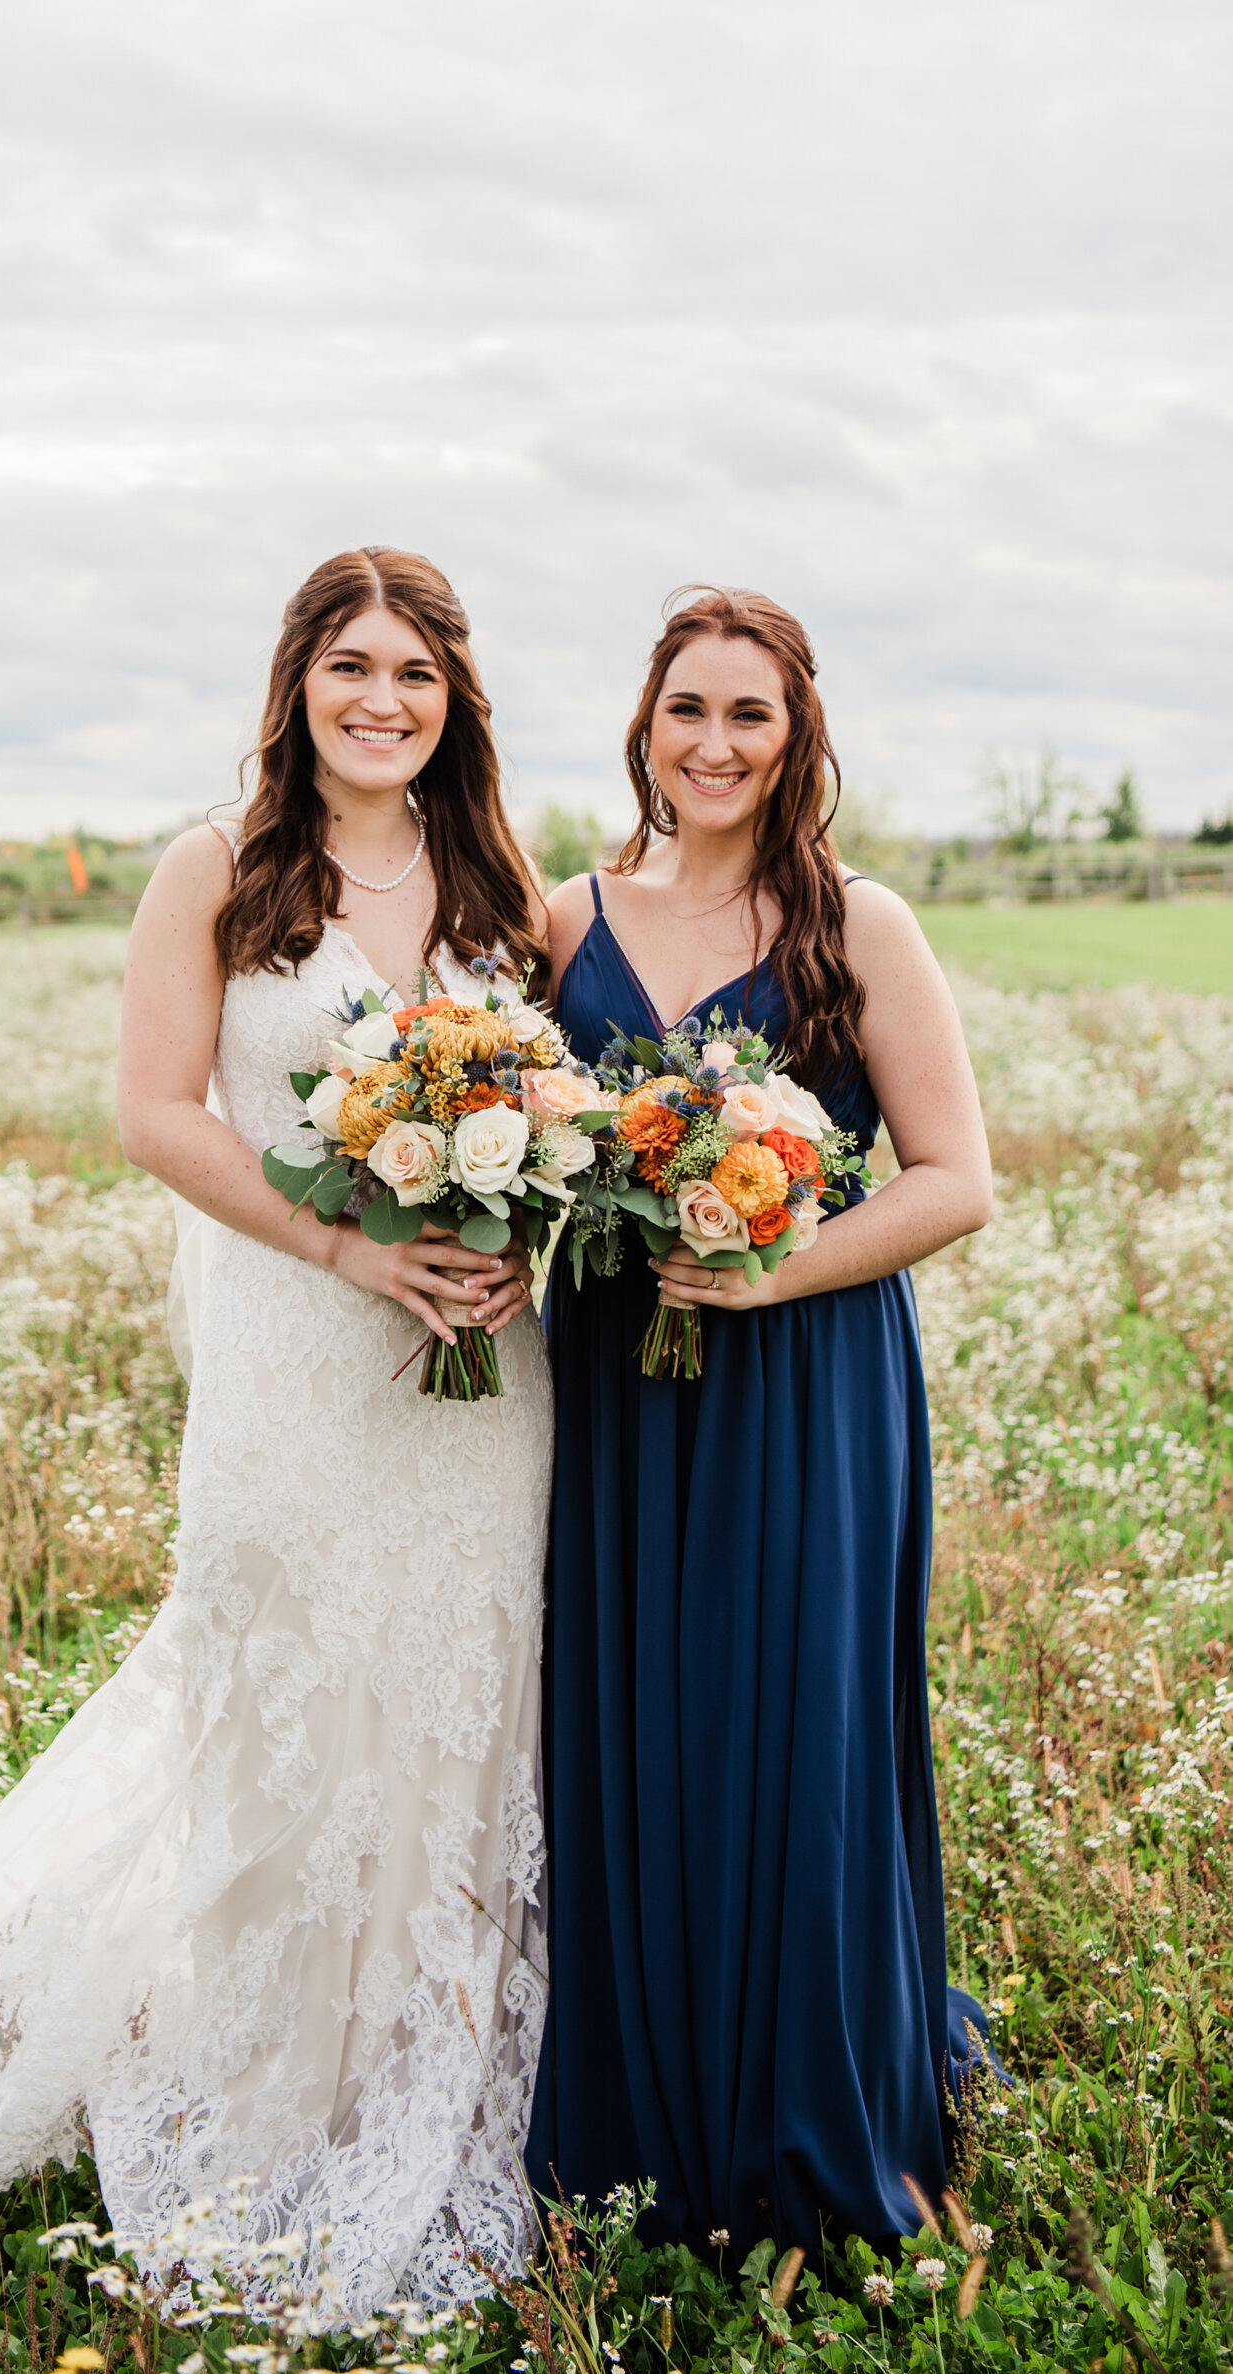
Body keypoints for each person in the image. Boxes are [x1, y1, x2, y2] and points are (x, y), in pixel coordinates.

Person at [0, 547, 553, 2316]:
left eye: (417, 675)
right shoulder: (214, 874)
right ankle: (267, 2052)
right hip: (302, 1343)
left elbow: (558, 1101)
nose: (383, 700)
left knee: (461, 1689)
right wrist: (347, 1246)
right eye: (351, 666)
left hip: (485, 1373)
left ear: (456, 702)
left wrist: (518, 1241)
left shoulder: (498, 882)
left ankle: (435, 2044)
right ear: (297, 681)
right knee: (289, 1681)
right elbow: (151, 1111)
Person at [525, 585, 994, 2258]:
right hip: (613, 1402)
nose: (712, 745)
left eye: (749, 716)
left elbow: (955, 1182)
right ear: (641, 726)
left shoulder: (855, 922)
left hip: (803, 1381)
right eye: (685, 711)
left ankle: (807, 2117)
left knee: (790, 1740)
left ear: (795, 741)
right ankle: (641, 2129)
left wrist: (769, 1274)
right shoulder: (556, 913)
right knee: (629, 1730)